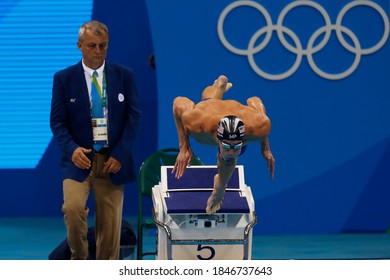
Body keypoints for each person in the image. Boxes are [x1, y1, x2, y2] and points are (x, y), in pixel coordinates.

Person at [50, 20, 141, 260]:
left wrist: (120, 154)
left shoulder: (124, 76)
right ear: (79, 45)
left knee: (110, 229)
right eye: (92, 45)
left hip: (112, 161)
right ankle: (79, 262)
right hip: (79, 160)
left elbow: (134, 118)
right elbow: (57, 121)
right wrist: (71, 150)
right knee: (72, 209)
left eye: (103, 46)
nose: (98, 51)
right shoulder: (64, 79)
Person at [172, 75, 275, 214]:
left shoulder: (258, 127)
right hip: (210, 110)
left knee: (228, 160)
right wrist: (184, 147)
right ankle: (219, 85)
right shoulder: (197, 123)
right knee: (209, 100)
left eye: (236, 146)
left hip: (240, 113)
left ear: (243, 139)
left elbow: (255, 100)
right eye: (227, 146)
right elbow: (178, 102)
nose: (232, 151)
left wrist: (265, 149)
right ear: (218, 139)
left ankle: (219, 189)